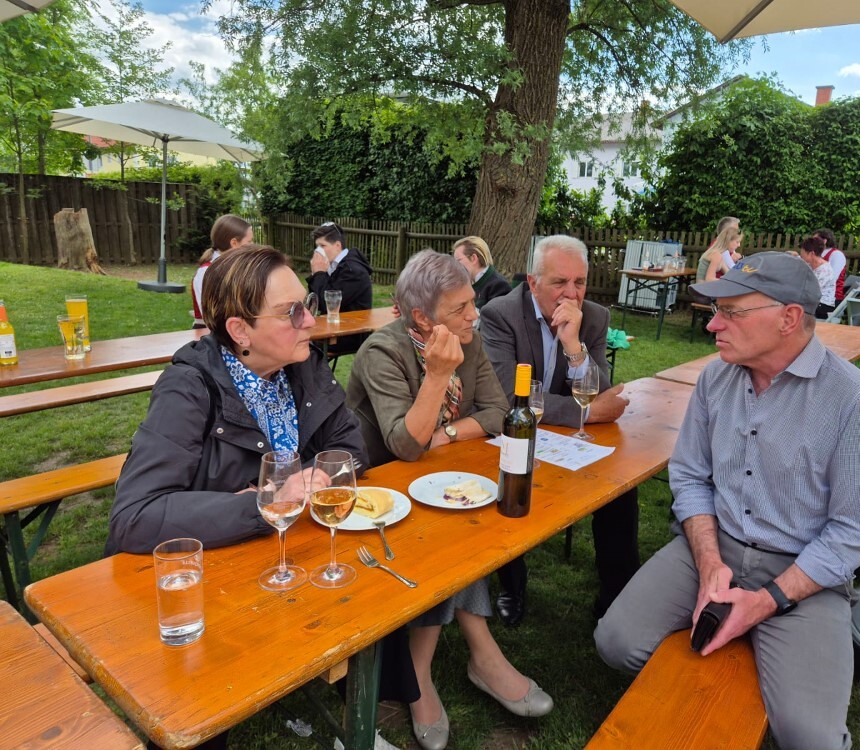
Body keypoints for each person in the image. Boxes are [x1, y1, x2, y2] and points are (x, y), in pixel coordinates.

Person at [595, 252, 860, 750]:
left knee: (811, 739)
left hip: (804, 571)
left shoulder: (857, 403)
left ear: (789, 318)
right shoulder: (716, 378)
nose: (713, 324)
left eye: (732, 312)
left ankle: (759, 640)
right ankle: (742, 644)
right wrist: (709, 561)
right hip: (716, 546)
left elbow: (852, 533)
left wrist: (765, 602)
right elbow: (689, 476)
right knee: (616, 642)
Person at [109, 244, 403, 750]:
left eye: (307, 303)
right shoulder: (190, 387)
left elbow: (351, 450)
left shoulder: (301, 366)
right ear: (240, 331)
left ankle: (362, 717)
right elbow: (134, 516)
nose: (309, 320)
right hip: (209, 574)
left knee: (375, 586)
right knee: (197, 705)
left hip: (285, 554)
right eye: (291, 312)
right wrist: (264, 503)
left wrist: (307, 480)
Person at [347, 250, 553, 750]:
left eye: (472, 302)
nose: (474, 315)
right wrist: (438, 378)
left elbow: (499, 409)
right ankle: (468, 659)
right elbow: (404, 445)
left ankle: (450, 663)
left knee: (464, 527)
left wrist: (446, 434)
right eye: (460, 308)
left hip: (437, 480)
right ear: (422, 317)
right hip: (379, 497)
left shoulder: (468, 340)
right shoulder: (382, 351)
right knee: (452, 541)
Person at [479, 235, 639, 625]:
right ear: (533, 282)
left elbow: (600, 391)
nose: (571, 293)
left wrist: (573, 345)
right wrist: (588, 412)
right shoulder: (500, 314)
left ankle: (617, 596)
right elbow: (506, 396)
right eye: (559, 282)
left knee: (620, 487)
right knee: (513, 479)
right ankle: (512, 584)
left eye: (579, 282)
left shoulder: (593, 318)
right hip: (507, 433)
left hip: (562, 438)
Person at [308, 221, 374, 355]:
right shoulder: (334, 265)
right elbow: (314, 301)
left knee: (301, 342)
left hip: (350, 334)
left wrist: (319, 274)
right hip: (333, 327)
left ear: (337, 246)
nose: (318, 251)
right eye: (317, 246)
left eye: (322, 246)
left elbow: (326, 303)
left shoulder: (352, 270)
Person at [191, 215, 253, 329]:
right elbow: (210, 316)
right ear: (234, 243)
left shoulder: (240, 268)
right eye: (249, 241)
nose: (252, 245)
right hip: (211, 333)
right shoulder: (206, 272)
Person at [453, 236, 512, 311]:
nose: (455, 266)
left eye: (458, 260)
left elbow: (496, 316)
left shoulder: (498, 285)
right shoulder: (469, 283)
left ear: (473, 258)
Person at [798, 237, 836, 319]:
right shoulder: (809, 264)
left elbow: (812, 291)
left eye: (803, 252)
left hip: (823, 305)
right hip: (812, 302)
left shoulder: (825, 270)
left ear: (811, 253)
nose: (801, 254)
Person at [813, 228, 847, 303]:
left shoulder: (837, 254)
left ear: (824, 241)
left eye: (815, 240)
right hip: (817, 295)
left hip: (832, 299)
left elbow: (832, 278)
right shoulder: (816, 255)